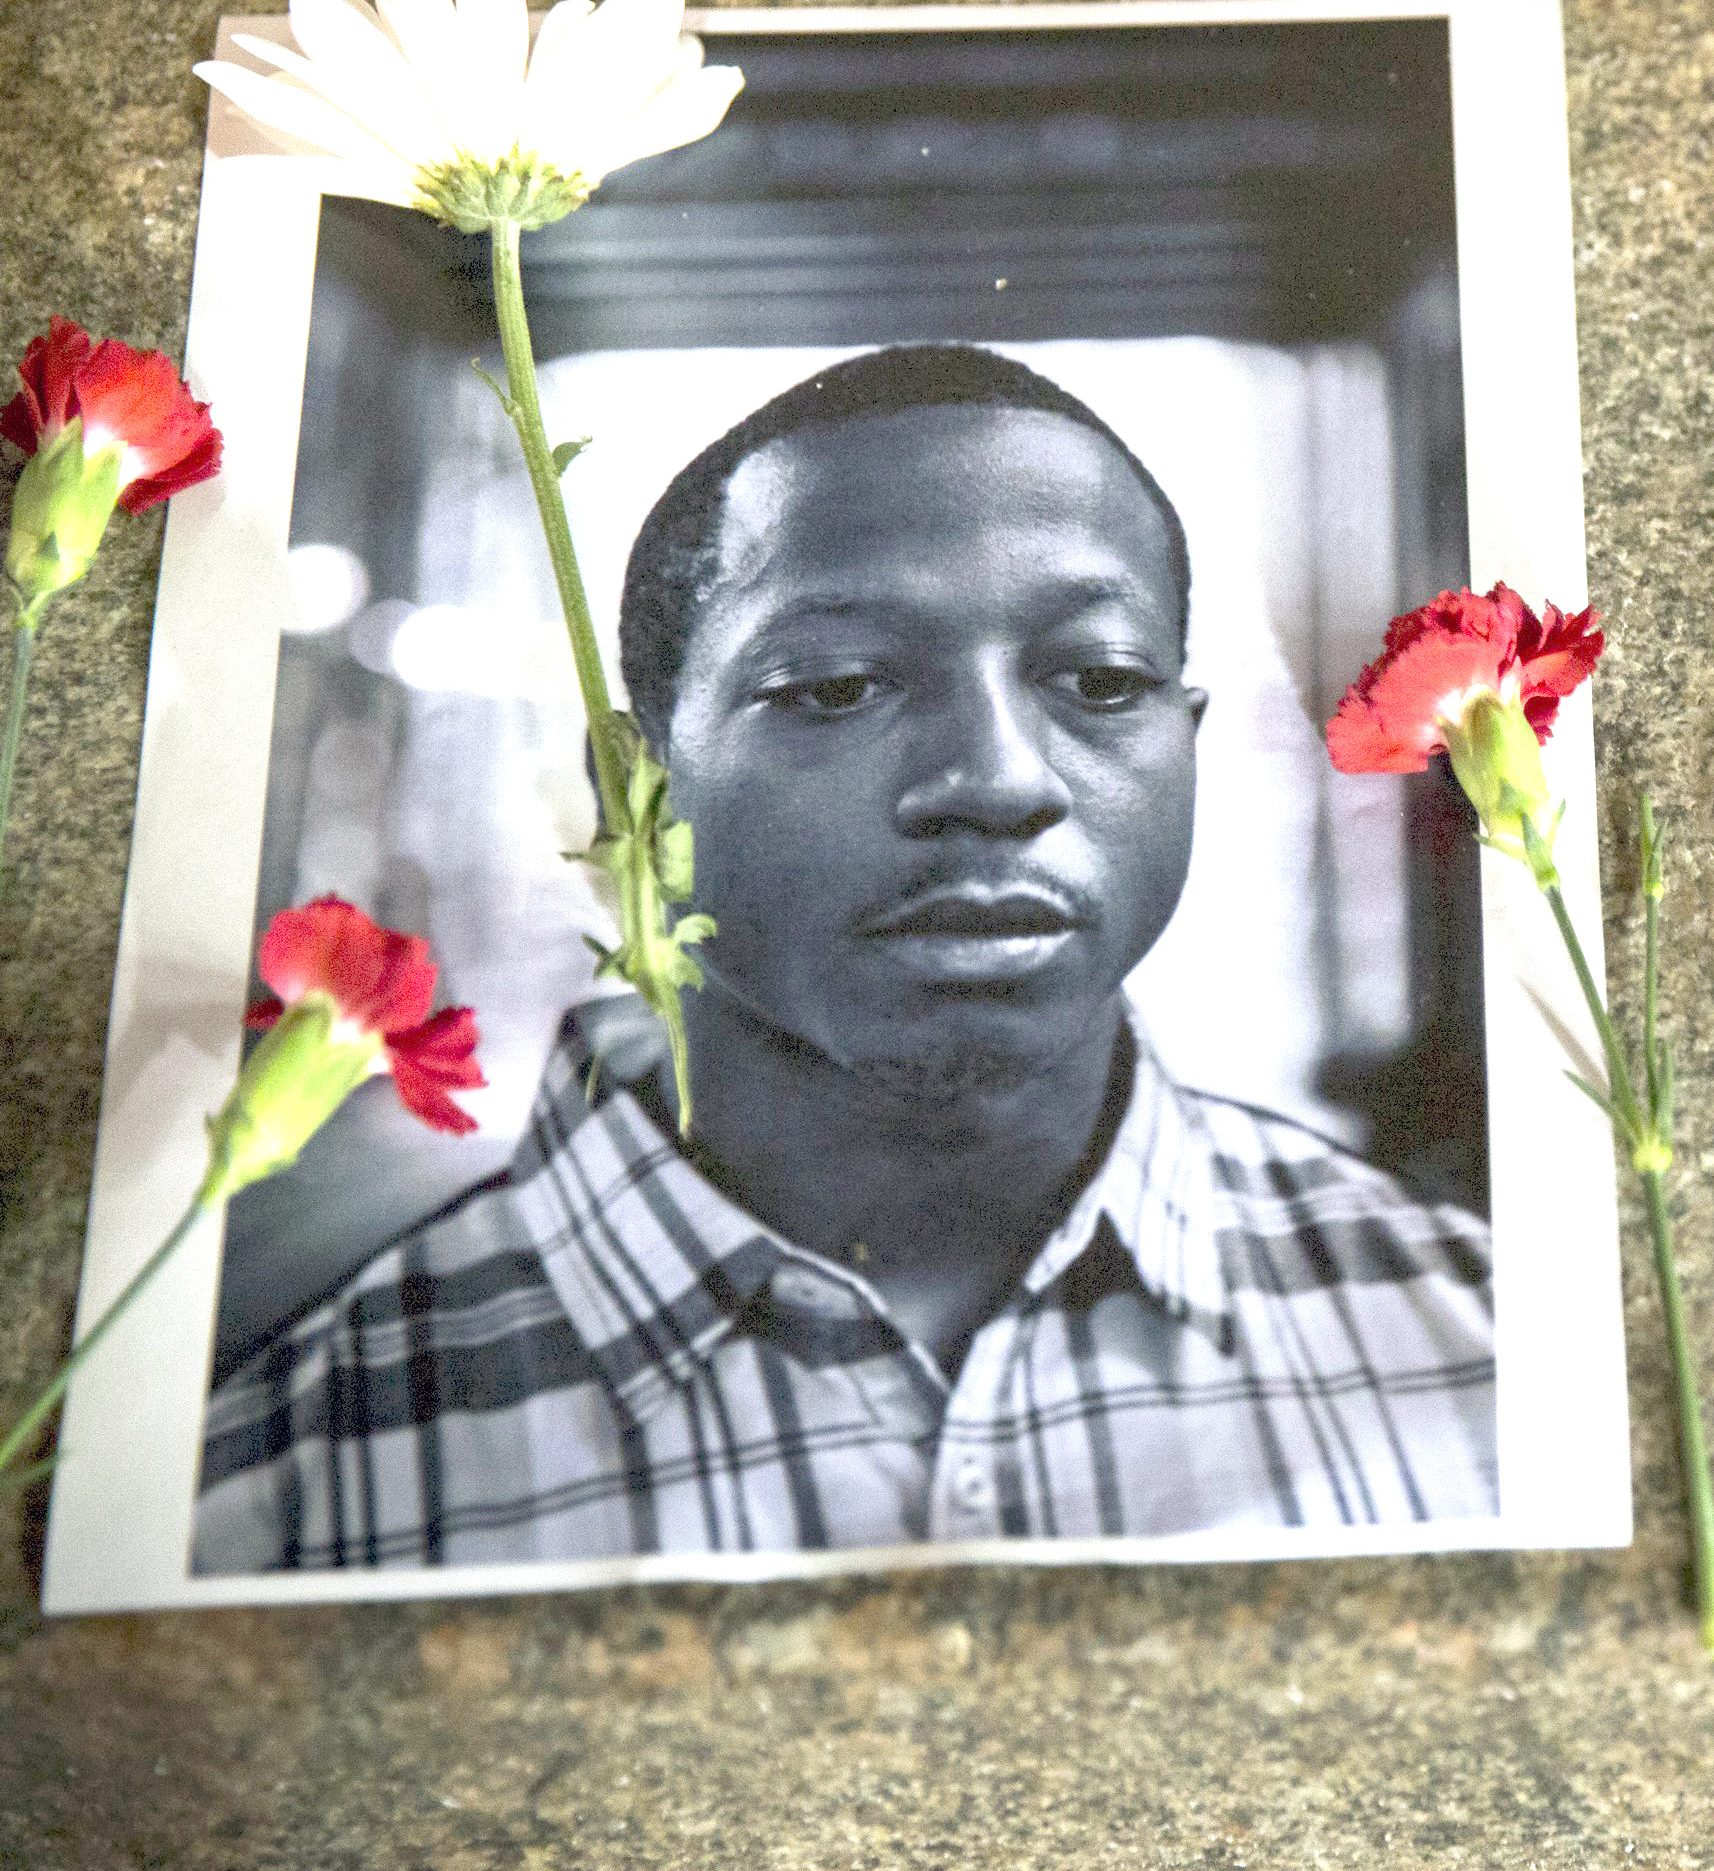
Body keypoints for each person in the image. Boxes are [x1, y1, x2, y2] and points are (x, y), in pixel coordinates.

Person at [193, 344, 1495, 1572]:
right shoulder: (279, 1499)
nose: (998, 779)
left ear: (1186, 741)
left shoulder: (1486, 1348)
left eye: (1100, 680)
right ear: (637, 793)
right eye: (832, 687)